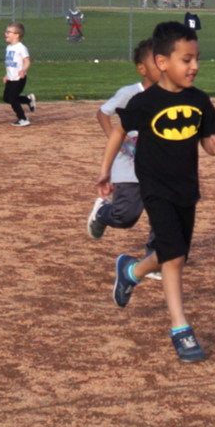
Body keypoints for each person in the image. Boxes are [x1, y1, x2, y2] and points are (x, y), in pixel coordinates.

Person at [103, 22, 215, 363]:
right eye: (186, 59)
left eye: (197, 59)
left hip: (186, 188)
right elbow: (118, 131)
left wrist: (212, 147)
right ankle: (180, 327)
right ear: (162, 62)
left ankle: (130, 272)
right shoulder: (147, 101)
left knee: (175, 251)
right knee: (173, 256)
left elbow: (202, 138)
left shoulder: (199, 100)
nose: (195, 66)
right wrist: (105, 171)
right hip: (154, 188)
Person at [89, 40, 161, 281]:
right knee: (126, 216)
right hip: (129, 164)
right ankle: (102, 213)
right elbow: (103, 113)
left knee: (161, 212)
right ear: (142, 68)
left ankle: (153, 259)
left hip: (158, 169)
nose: (164, 65)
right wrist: (115, 139)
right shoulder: (130, 94)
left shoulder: (173, 95)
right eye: (156, 61)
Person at [2, 22, 35, 127]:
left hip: (19, 78)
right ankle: (28, 100)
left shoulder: (21, 48)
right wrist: (7, 75)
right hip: (11, 77)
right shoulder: (8, 48)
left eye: (8, 32)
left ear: (17, 35)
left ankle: (23, 118)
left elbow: (27, 62)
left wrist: (23, 70)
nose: (6, 34)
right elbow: (10, 64)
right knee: (6, 98)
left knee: (12, 99)